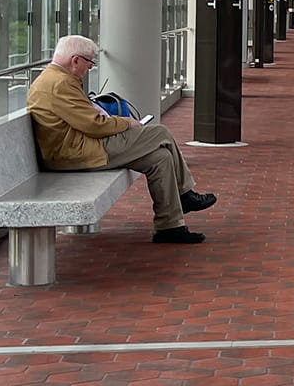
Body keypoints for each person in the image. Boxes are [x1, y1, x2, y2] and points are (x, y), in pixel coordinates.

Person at [26, 34, 217, 244]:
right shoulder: (59, 83)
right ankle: (185, 194)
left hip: (78, 146)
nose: (90, 68)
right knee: (160, 133)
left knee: (160, 158)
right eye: (90, 62)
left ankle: (169, 226)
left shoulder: (57, 79)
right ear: (75, 60)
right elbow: (94, 125)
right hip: (76, 153)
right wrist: (127, 123)